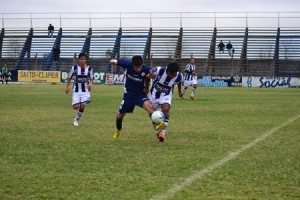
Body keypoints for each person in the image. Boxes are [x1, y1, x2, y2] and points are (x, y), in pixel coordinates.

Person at [110, 55, 161, 140]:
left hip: (140, 95)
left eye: (139, 67)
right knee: (119, 117)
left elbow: (156, 74)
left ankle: (157, 129)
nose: (138, 69)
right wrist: (113, 61)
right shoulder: (128, 65)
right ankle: (118, 129)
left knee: (150, 108)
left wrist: (151, 76)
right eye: (136, 67)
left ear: (142, 65)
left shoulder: (147, 69)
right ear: (133, 65)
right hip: (128, 95)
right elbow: (118, 62)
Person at [147, 62, 183, 142]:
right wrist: (149, 79)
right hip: (154, 95)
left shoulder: (179, 76)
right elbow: (149, 73)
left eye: (173, 74)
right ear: (167, 70)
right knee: (152, 113)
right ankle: (157, 130)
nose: (171, 76)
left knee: (166, 109)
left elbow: (180, 81)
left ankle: (162, 133)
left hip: (166, 95)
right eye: (170, 74)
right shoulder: (159, 70)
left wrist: (179, 91)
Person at [65, 52, 94, 126]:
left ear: (86, 60)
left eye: (84, 59)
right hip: (76, 90)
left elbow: (92, 78)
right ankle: (79, 112)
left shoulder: (89, 69)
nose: (83, 61)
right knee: (75, 107)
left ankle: (76, 120)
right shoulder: (74, 68)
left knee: (82, 106)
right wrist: (67, 86)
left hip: (85, 90)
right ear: (79, 59)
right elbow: (69, 77)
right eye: (81, 59)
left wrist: (90, 83)